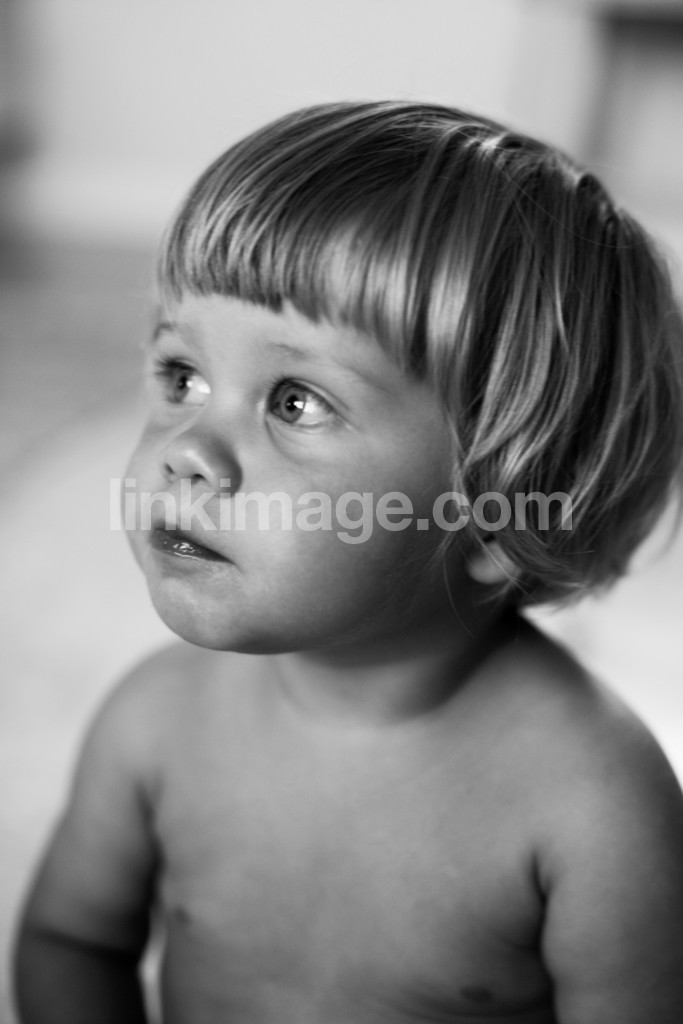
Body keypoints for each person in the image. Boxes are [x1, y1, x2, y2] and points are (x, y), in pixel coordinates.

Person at [13, 101, 683, 1024]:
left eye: (295, 401)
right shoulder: (154, 722)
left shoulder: (595, 810)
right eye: (182, 377)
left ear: (494, 517)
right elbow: (71, 942)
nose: (186, 451)